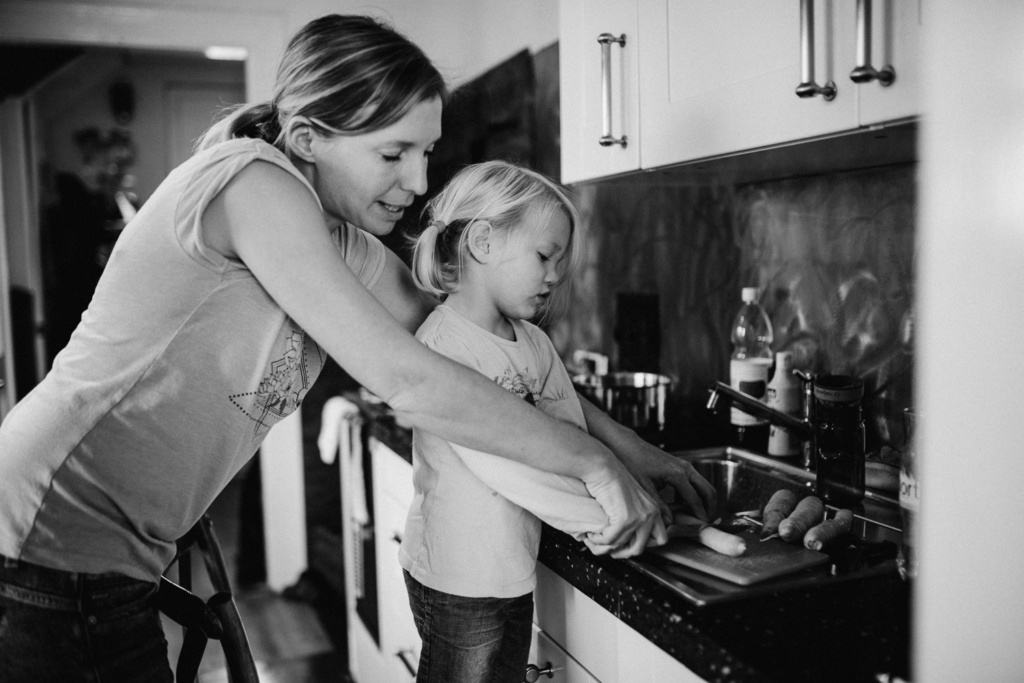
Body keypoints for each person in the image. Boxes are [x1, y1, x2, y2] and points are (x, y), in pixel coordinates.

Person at [0, 14, 713, 682]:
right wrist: (591, 461)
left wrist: (631, 452)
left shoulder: (341, 242)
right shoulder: (254, 181)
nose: (420, 180)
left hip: (108, 555)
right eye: (393, 152)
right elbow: (411, 380)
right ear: (309, 138)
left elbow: (469, 357)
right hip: (50, 542)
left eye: (427, 151)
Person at [399, 161, 718, 683]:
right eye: (545, 256)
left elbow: (570, 432)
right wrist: (607, 519)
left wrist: (632, 495)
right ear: (481, 242)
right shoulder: (444, 346)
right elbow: (511, 467)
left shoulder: (535, 343)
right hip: (456, 577)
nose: (555, 275)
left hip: (511, 569)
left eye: (560, 262)